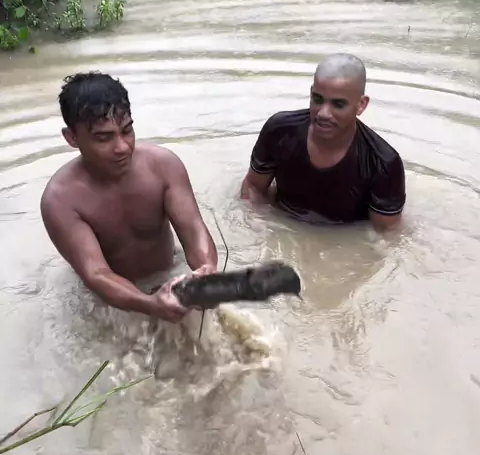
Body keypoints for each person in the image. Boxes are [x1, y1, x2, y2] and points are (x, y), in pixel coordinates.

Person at [41, 72, 218, 322]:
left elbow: (193, 228)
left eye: (127, 131)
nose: (122, 147)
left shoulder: (163, 165)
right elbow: (96, 273)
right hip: (112, 302)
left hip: (168, 274)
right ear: (72, 137)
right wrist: (149, 303)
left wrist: (206, 270)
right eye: (103, 138)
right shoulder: (61, 199)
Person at [241, 54, 406, 231]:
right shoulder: (280, 131)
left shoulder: (383, 163)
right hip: (283, 221)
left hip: (342, 235)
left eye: (338, 104)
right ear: (311, 93)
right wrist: (255, 226)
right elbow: (253, 187)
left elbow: (386, 235)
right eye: (318, 99)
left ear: (361, 105)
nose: (323, 113)